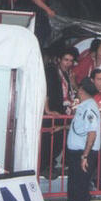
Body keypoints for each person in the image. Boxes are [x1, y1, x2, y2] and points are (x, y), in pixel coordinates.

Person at [66, 78, 101, 201]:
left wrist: (85, 156)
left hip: (83, 154)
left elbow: (92, 134)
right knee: (74, 189)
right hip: (76, 153)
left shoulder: (90, 108)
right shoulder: (84, 106)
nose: (77, 91)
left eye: (79, 89)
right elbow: (80, 128)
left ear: (83, 90)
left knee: (80, 190)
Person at [40, 47, 78, 178]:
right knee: (49, 141)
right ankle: (44, 167)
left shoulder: (67, 73)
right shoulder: (51, 71)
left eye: (71, 61)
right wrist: (47, 110)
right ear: (59, 60)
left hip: (63, 112)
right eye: (66, 60)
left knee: (58, 141)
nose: (68, 63)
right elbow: (46, 90)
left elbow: (71, 93)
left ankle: (50, 165)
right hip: (53, 113)